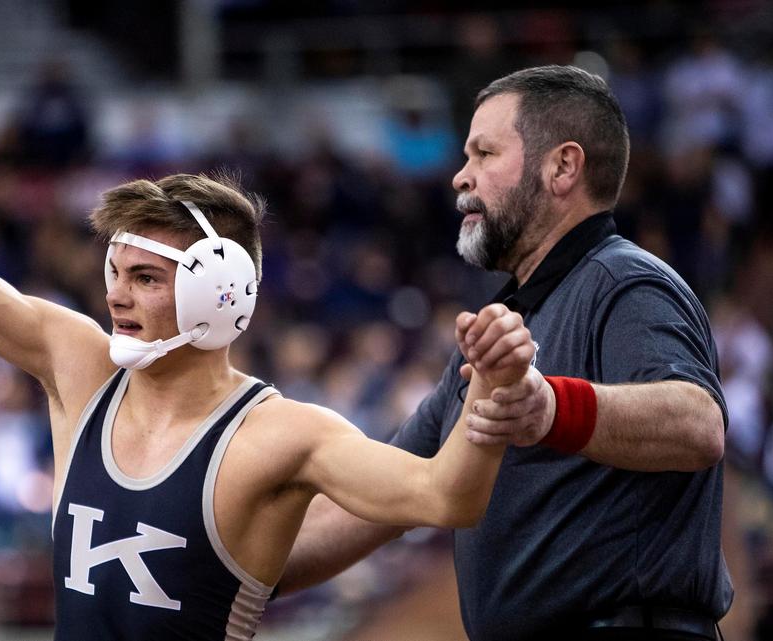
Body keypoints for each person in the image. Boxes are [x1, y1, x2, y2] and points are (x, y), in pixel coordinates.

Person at [0, 2, 539, 639]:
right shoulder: (78, 363)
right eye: (114, 272)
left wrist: (492, 406)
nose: (115, 296)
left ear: (221, 294)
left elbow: (443, 496)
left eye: (144, 276)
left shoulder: (282, 435)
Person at [281, 65, 731, 641]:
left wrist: (550, 410)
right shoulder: (497, 334)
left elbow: (698, 424)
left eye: (484, 154)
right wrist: (221, 578)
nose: (459, 177)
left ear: (562, 167)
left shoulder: (624, 281)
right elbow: (382, 499)